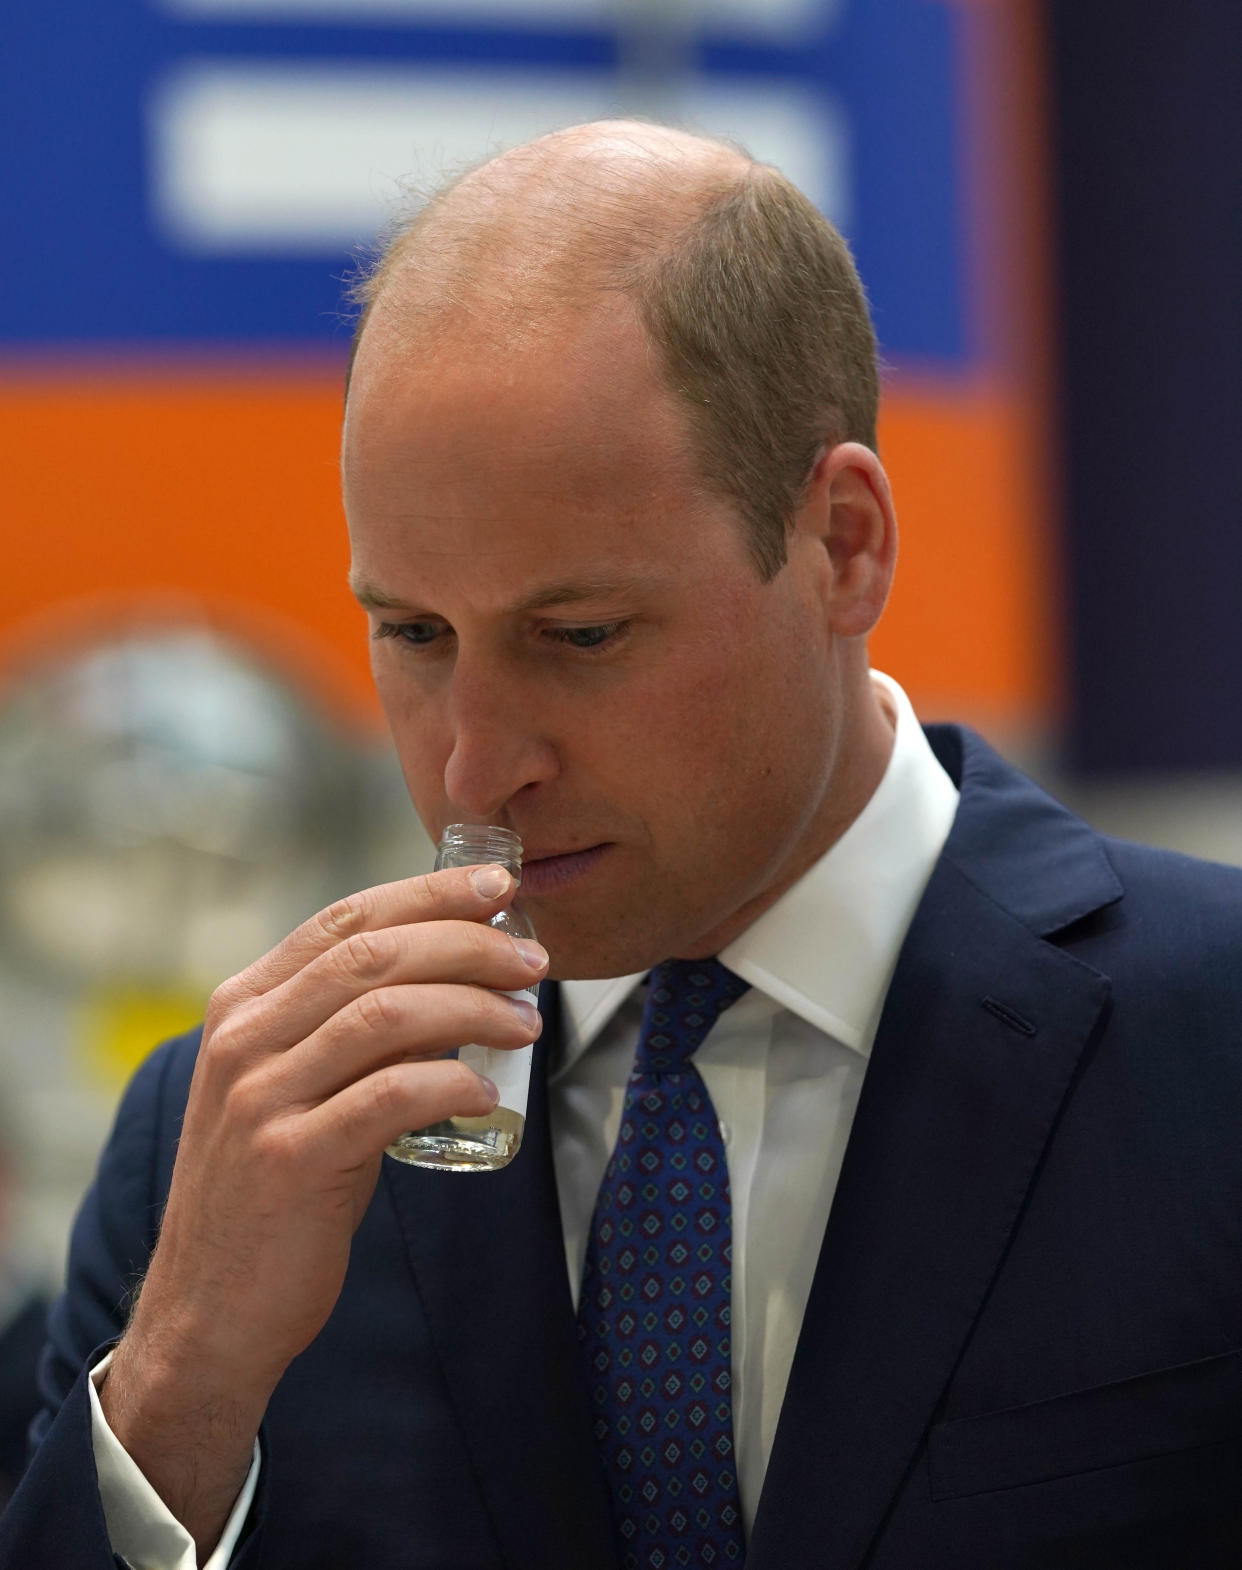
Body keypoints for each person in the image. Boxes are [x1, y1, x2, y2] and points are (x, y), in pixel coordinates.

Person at [4, 120, 1242, 1570]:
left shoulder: (1206, 1040)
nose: (473, 763)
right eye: (409, 632)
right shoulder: (232, 1129)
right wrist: (182, 1378)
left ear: (842, 543)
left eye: (579, 635)